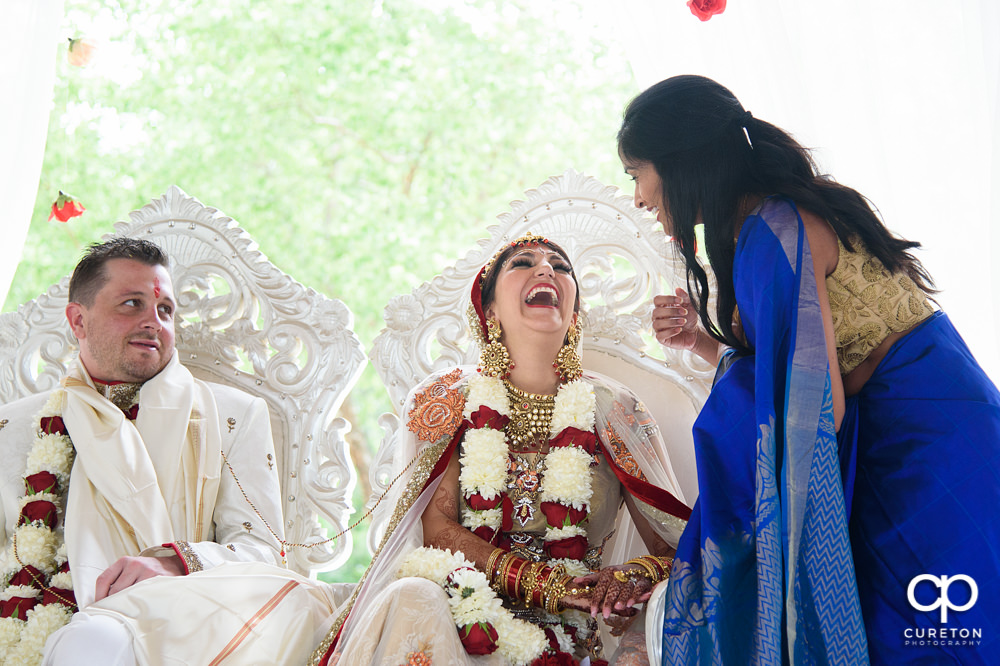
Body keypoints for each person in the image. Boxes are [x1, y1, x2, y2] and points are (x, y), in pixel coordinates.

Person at [616, 74, 1000, 664]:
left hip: (925, 443)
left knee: (938, 637)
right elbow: (805, 375)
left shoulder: (773, 230)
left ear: (680, 161)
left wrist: (767, 562)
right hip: (932, 421)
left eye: (636, 173)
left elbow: (812, 405)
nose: (639, 196)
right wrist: (702, 342)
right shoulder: (776, 216)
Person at [309, 233, 692, 665]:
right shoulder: (450, 399)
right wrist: (543, 583)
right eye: (523, 263)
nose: (547, 269)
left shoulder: (615, 410)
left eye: (561, 267)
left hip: (566, 637)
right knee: (412, 594)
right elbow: (436, 528)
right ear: (489, 310)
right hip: (456, 619)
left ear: (574, 316)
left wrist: (631, 576)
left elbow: (679, 547)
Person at [0, 238, 285, 665]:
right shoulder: (14, 427)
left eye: (165, 309)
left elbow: (263, 552)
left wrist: (174, 564)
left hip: (160, 626)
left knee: (92, 644)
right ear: (78, 320)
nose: (154, 322)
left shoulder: (230, 417)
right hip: (24, 629)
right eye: (132, 304)